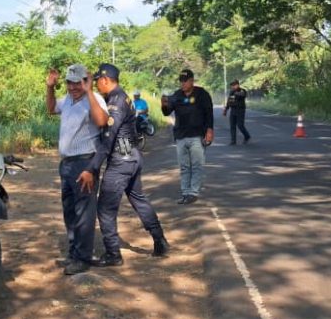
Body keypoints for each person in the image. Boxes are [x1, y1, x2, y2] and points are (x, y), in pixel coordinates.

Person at [85, 63, 172, 265]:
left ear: (105, 80)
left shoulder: (116, 101)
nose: (96, 85)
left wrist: (92, 167)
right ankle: (160, 240)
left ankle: (113, 254)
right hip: (131, 155)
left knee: (105, 209)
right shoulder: (122, 96)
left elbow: (108, 139)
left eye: (97, 81)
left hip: (121, 161)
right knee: (139, 200)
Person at [46, 64, 108, 275]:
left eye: (78, 82)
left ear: (85, 81)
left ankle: (83, 258)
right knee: (70, 211)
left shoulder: (94, 99)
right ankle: (74, 254)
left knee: (84, 213)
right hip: (67, 164)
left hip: (85, 164)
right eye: (70, 82)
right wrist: (50, 88)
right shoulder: (69, 101)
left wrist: (89, 91)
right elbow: (51, 108)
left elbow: (101, 122)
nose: (73, 87)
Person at [160, 68, 213, 204]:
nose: (183, 84)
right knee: (184, 166)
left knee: (197, 165)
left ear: (191, 81)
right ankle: (185, 192)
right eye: (181, 81)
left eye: (185, 81)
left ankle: (193, 192)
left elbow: (209, 113)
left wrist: (209, 130)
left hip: (197, 135)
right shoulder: (177, 95)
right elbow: (167, 112)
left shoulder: (202, 94)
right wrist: (164, 104)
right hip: (181, 136)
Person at [223, 79, 251, 145]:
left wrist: (234, 92)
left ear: (237, 85)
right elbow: (230, 101)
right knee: (232, 126)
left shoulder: (242, 90)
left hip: (240, 110)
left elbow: (242, 95)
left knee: (240, 125)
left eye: (233, 85)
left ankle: (247, 136)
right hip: (233, 110)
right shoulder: (232, 92)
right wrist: (226, 109)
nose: (232, 87)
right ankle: (233, 141)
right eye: (232, 86)